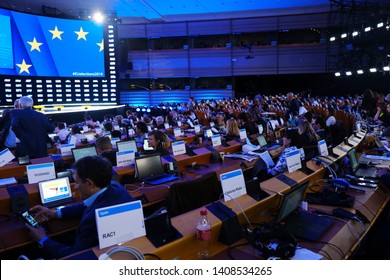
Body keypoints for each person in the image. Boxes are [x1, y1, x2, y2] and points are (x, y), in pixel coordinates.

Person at [24, 155, 134, 259]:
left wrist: (42, 239)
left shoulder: (92, 219)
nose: (75, 187)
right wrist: (55, 213)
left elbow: (75, 257)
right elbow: (87, 205)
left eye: (76, 182)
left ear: (90, 184)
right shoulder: (115, 186)